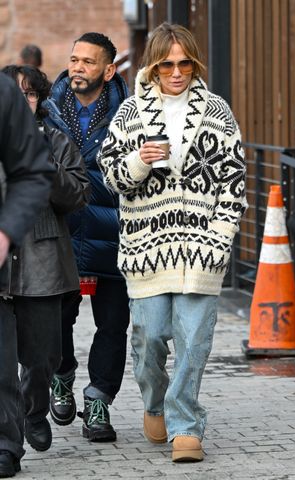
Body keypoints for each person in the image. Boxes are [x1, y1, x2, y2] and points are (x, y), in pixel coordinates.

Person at [97, 22, 247, 462]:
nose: (177, 72)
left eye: (185, 63)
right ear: (154, 66)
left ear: (194, 63)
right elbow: (111, 179)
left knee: (194, 339)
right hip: (147, 249)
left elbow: (234, 182)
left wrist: (219, 239)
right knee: (149, 338)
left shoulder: (217, 112)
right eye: (167, 64)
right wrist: (138, 161)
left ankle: (186, 427)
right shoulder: (130, 114)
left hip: (202, 251)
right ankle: (155, 402)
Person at [1, 64, 90, 465]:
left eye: (30, 94)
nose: (22, 100)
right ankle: (8, 444)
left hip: (44, 266)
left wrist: (44, 167)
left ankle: (35, 409)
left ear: (39, 101)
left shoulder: (57, 141)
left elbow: (78, 196)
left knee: (42, 358)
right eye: (14, 93)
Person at [43, 32, 130, 442]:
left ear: (108, 70)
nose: (78, 67)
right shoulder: (46, 110)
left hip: (113, 232)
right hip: (60, 234)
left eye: (89, 62)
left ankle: (99, 400)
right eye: (74, 59)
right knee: (56, 319)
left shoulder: (130, 112)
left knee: (112, 325)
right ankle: (60, 375)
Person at [0, 72, 54, 478]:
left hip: (28, 264)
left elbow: (31, 173)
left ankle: (5, 445)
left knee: (22, 360)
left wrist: (5, 233)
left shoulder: (2, 97)